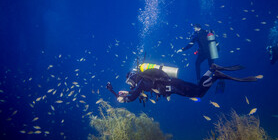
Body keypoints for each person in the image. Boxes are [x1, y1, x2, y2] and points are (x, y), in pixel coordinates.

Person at [106, 63, 257, 104]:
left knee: (199, 92)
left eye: (129, 82)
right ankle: (212, 70)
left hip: (175, 86)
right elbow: (137, 95)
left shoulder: (142, 82)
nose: (130, 85)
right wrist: (115, 92)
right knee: (198, 88)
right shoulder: (144, 81)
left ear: (133, 78)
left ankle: (215, 75)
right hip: (174, 84)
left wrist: (120, 97)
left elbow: (132, 97)